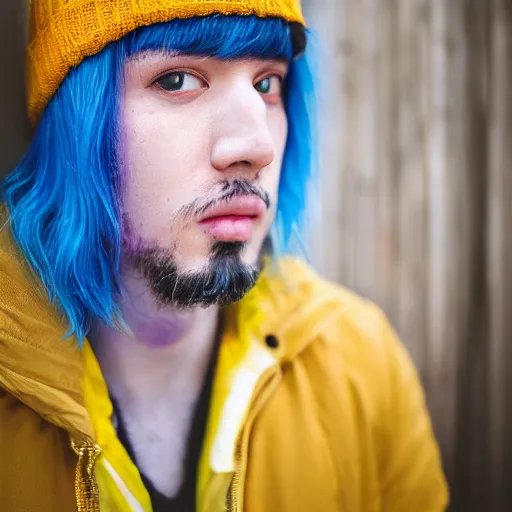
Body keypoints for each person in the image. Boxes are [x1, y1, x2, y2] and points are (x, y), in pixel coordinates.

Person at [0, 0, 448, 511]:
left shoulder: (362, 367)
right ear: (75, 119)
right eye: (177, 80)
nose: (255, 144)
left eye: (267, 84)